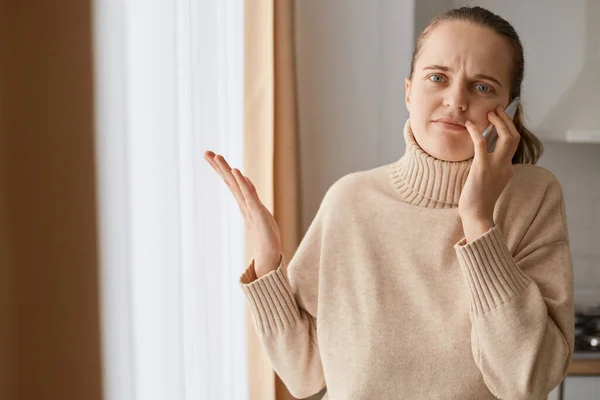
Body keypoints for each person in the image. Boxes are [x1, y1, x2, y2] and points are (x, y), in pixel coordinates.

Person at [204, 6, 574, 400]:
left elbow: (526, 381)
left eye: (482, 87)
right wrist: (266, 260)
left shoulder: (533, 197)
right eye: (437, 78)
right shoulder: (351, 200)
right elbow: (304, 373)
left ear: (509, 112)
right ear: (409, 91)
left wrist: (479, 221)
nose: (455, 100)